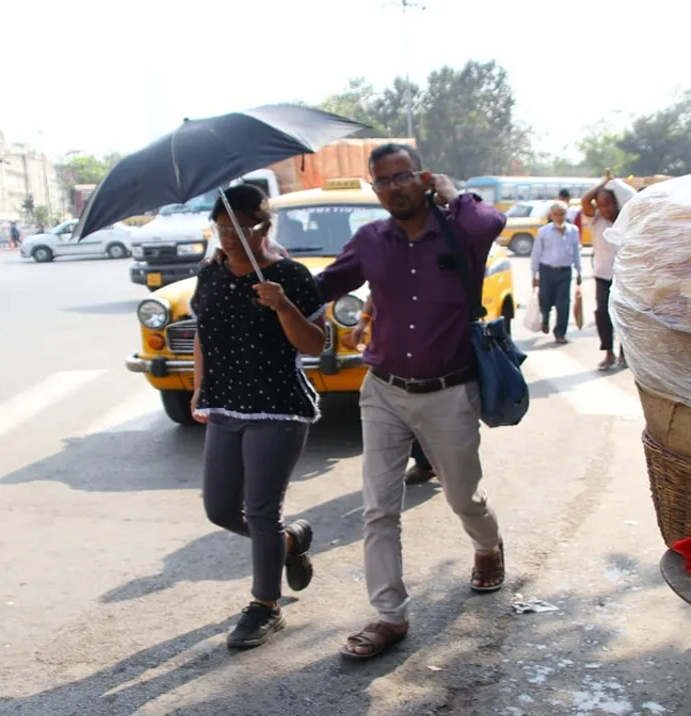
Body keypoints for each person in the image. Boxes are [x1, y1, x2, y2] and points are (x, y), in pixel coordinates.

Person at [317, 143, 506, 660]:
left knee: (462, 497)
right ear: (374, 191)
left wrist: (453, 192)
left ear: (423, 177)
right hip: (383, 390)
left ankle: (487, 545)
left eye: (402, 176)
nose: (394, 187)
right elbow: (324, 285)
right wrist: (267, 278)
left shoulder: (460, 231)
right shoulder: (370, 241)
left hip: (450, 392)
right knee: (379, 509)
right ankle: (389, 616)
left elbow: (491, 223)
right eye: (382, 181)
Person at [189, 184, 328, 649]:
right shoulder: (209, 274)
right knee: (220, 509)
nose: (230, 237)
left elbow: (314, 345)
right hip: (226, 406)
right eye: (223, 228)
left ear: (264, 226)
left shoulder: (291, 275)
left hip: (278, 408)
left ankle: (265, 607)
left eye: (241, 228)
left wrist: (283, 304)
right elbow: (202, 337)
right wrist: (198, 390)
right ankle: (286, 544)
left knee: (261, 511)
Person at [350, 296, 437, 486]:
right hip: (392, 359)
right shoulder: (388, 269)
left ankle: (441, 467)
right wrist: (362, 322)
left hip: (438, 352)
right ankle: (425, 464)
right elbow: (376, 290)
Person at [581, 172, 637, 371]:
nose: (604, 208)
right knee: (603, 313)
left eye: (608, 204)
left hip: (624, 276)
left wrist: (615, 184)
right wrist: (604, 182)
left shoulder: (627, 220)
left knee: (624, 315)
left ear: (616, 204)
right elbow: (585, 200)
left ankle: (624, 353)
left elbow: (633, 197)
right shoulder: (595, 219)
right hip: (603, 274)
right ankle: (608, 352)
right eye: (601, 204)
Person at [530, 201, 582, 344]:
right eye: (556, 214)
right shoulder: (543, 232)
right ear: (551, 215)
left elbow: (576, 252)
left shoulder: (573, 231)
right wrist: (534, 275)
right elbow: (536, 253)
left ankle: (560, 333)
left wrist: (579, 271)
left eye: (562, 214)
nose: (559, 217)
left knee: (563, 303)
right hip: (547, 270)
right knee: (545, 300)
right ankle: (545, 319)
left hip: (565, 272)